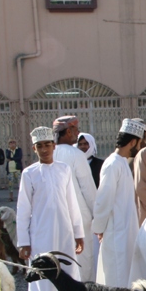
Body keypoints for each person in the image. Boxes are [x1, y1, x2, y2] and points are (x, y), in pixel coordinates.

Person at [17, 127, 84, 291]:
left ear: (54, 146)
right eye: (40, 146)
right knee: (42, 279)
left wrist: (78, 232)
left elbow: (72, 203)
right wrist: (23, 241)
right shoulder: (29, 173)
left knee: (66, 274)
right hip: (40, 235)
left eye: (47, 145)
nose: (44, 149)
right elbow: (23, 209)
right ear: (34, 148)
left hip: (64, 233)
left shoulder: (64, 169)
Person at [92, 119, 145, 288]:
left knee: (127, 275)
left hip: (126, 230)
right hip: (116, 232)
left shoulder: (122, 162)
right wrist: (99, 228)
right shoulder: (113, 164)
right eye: (139, 143)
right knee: (116, 277)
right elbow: (103, 200)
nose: (140, 147)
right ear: (132, 142)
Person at [52, 116, 97, 282]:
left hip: (56, 218)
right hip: (79, 217)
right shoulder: (76, 154)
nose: (78, 134)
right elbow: (88, 189)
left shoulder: (48, 154)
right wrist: (98, 216)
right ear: (68, 131)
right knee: (82, 262)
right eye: (76, 130)